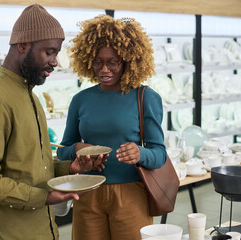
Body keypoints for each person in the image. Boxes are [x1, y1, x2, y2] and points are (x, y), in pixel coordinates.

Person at [0, 4, 102, 240]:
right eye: (49, 52)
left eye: (56, 53)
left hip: (41, 230)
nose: (55, 61)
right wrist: (44, 196)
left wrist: (70, 168)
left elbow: (30, 169)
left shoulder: (30, 96)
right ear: (23, 46)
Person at [57, 15, 167, 240]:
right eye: (97, 62)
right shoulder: (80, 100)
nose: (104, 69)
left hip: (131, 195)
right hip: (87, 193)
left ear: (128, 60)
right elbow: (62, 150)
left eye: (112, 62)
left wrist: (140, 153)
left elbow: (160, 155)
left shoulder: (145, 97)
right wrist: (77, 148)